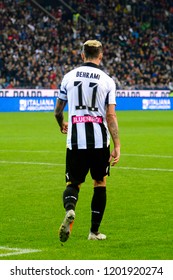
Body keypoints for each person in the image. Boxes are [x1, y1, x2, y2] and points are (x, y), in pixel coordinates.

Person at [54, 40, 120, 242]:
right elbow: (110, 116)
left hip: (76, 141)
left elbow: (57, 110)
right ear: (100, 56)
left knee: (73, 183)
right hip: (100, 142)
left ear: (82, 55)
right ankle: (94, 232)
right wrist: (117, 145)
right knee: (99, 182)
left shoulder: (68, 77)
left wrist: (61, 123)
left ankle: (70, 209)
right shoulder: (108, 81)